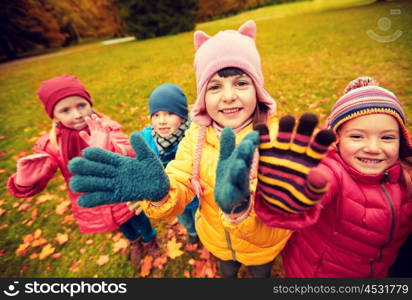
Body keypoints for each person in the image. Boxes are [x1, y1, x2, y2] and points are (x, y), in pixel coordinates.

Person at [68, 20, 334, 278]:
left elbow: (288, 211)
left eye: (241, 83)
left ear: (258, 89)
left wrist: (241, 207)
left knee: (259, 273)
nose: (228, 96)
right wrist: (161, 193)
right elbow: (181, 179)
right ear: (202, 96)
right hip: (216, 238)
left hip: (261, 246)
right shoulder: (196, 136)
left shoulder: (277, 142)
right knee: (226, 270)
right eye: (215, 86)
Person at [254, 76, 412, 277]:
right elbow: (307, 196)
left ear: (402, 141)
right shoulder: (332, 171)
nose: (373, 148)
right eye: (357, 136)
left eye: (387, 137)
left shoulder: (405, 176)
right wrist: (288, 199)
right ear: (336, 139)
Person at [6, 74, 158, 269]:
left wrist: (108, 147)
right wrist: (25, 182)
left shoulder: (106, 127)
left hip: (121, 191)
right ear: (54, 116)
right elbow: (43, 169)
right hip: (95, 196)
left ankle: (150, 239)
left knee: (136, 217)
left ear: (90, 104)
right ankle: (134, 241)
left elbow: (128, 150)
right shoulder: (52, 144)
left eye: (81, 105)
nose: (77, 114)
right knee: (122, 225)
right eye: (65, 110)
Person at [140, 83, 199, 244]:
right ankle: (192, 232)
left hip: (195, 193)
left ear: (182, 116)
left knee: (199, 217)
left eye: (170, 113)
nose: (162, 121)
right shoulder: (147, 138)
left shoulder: (194, 136)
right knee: (185, 218)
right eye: (156, 115)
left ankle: (201, 234)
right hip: (171, 195)